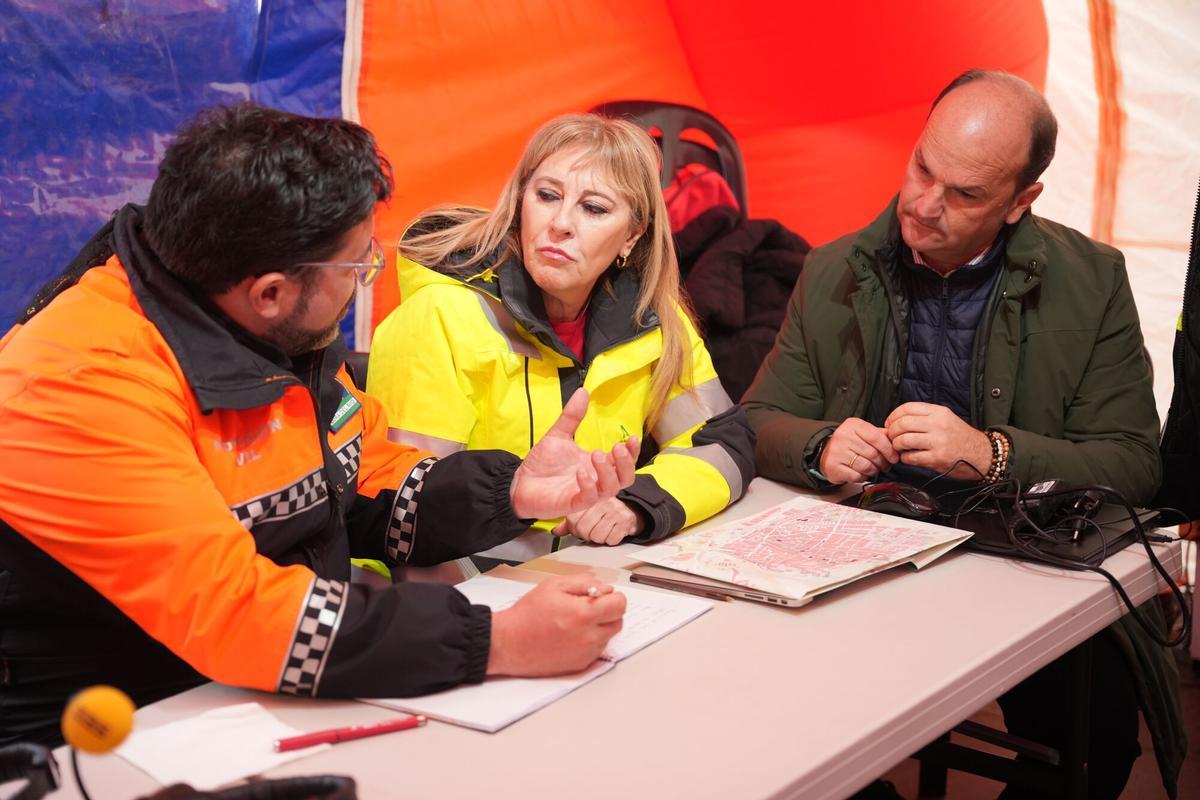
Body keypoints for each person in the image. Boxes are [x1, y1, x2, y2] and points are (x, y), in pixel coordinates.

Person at [0, 104, 641, 747]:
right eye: (357, 266)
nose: (368, 278)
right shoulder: (76, 383)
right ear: (271, 292)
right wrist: (494, 640)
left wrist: (510, 493)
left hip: (247, 701)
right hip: (104, 741)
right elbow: (233, 614)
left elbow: (359, 477)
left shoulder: (263, 320)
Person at [743, 71, 1184, 798]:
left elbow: (1135, 463)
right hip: (862, 557)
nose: (924, 205)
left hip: (1020, 558)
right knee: (790, 734)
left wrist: (991, 454)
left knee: (1097, 734)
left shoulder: (1092, 278)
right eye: (922, 167)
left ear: (1021, 203)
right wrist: (822, 446)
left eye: (966, 195)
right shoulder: (833, 270)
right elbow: (757, 420)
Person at [367, 113, 754, 562]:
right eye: (547, 196)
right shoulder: (436, 317)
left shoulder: (656, 322)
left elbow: (723, 444)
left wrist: (637, 507)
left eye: (594, 208)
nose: (561, 223)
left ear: (632, 236)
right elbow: (405, 517)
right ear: (519, 203)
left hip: (594, 575)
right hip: (473, 598)